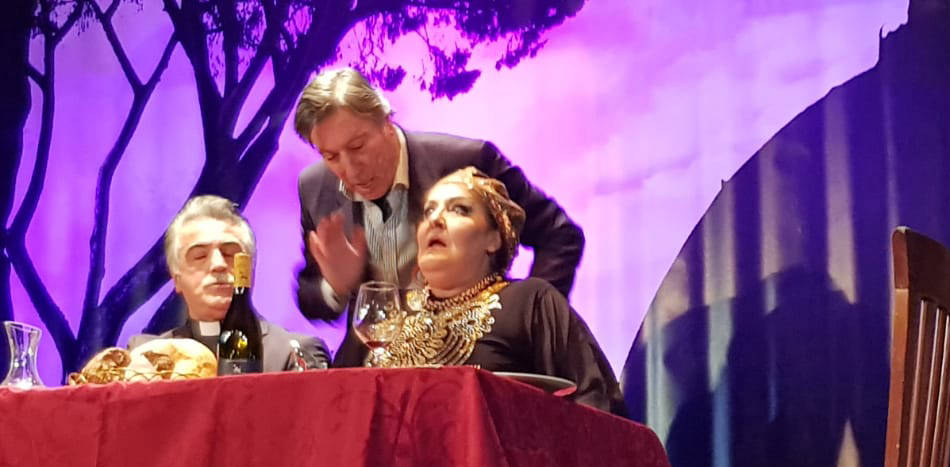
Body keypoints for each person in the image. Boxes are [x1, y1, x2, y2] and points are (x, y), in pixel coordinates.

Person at [292, 67, 584, 367]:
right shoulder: (315, 188)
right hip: (372, 365)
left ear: (386, 122)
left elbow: (560, 236)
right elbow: (310, 296)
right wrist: (336, 287)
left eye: (358, 146)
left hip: (472, 358)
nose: (350, 169)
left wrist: (528, 324)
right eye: (331, 156)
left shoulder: (468, 160)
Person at [367, 166, 623, 414]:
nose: (435, 220)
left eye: (459, 209)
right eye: (428, 211)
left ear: (494, 238)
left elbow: (594, 404)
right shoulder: (386, 311)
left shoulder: (529, 302)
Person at [132, 195, 331, 371]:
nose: (218, 265)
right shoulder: (147, 357)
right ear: (176, 279)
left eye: (230, 254)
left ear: (250, 269)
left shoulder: (293, 352)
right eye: (200, 256)